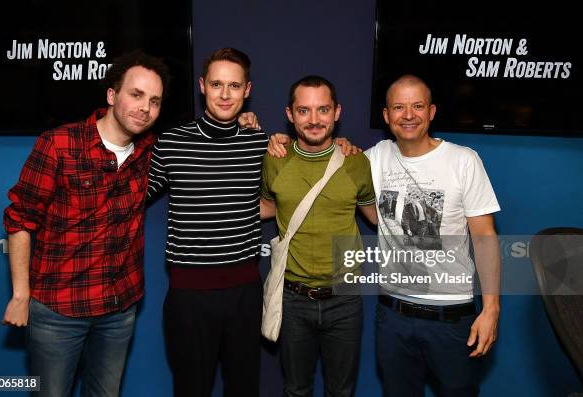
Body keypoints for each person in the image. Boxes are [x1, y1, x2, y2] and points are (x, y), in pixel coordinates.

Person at [2, 50, 170, 396]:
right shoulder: (59, 145)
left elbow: (203, 138)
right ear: (112, 95)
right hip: (58, 311)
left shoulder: (149, 151)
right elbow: (20, 219)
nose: (145, 108)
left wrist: (244, 122)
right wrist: (20, 294)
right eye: (136, 95)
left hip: (118, 309)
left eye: (154, 101)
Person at [365, 74, 501, 396]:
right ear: (386, 116)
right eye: (398, 107)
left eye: (417, 106)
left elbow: (485, 237)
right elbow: (322, 154)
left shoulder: (462, 161)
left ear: (432, 112)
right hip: (393, 315)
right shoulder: (372, 159)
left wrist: (492, 308)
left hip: (452, 319)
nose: (408, 115)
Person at [146, 47, 269, 397]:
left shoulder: (259, 143)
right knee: (191, 389)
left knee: (244, 389)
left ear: (247, 90)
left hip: (245, 293)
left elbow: (289, 196)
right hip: (189, 296)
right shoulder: (171, 143)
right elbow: (131, 196)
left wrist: (342, 146)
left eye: (234, 85)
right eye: (217, 84)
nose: (225, 94)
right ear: (202, 86)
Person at [261, 75, 376, 397]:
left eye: (322, 110)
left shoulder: (355, 161)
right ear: (289, 114)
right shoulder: (275, 158)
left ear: (337, 112)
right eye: (304, 111)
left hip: (345, 298)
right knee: (296, 390)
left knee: (342, 392)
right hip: (294, 299)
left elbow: (378, 218)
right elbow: (266, 208)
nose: (314, 120)